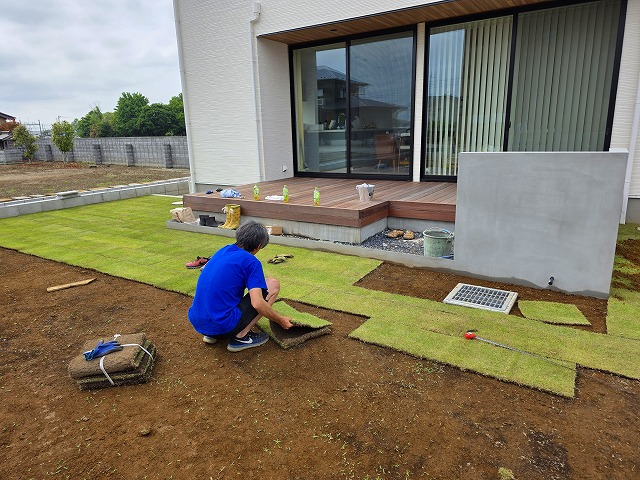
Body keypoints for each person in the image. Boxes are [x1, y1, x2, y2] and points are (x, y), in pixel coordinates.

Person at [188, 221, 294, 352]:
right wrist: (281, 320)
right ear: (259, 246)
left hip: (198, 322)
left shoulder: (223, 250)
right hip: (223, 326)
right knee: (272, 284)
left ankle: (211, 335)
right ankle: (241, 336)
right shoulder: (251, 262)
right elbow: (257, 303)